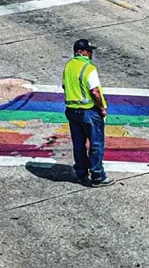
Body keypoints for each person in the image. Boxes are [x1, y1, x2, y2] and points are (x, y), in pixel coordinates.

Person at [62, 39, 114, 187]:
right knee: (96, 144)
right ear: (80, 52)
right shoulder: (88, 68)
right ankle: (97, 176)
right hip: (88, 112)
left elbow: (65, 86)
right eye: (88, 50)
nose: (90, 53)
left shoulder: (68, 67)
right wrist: (101, 108)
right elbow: (95, 92)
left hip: (72, 111)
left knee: (79, 145)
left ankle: (81, 174)